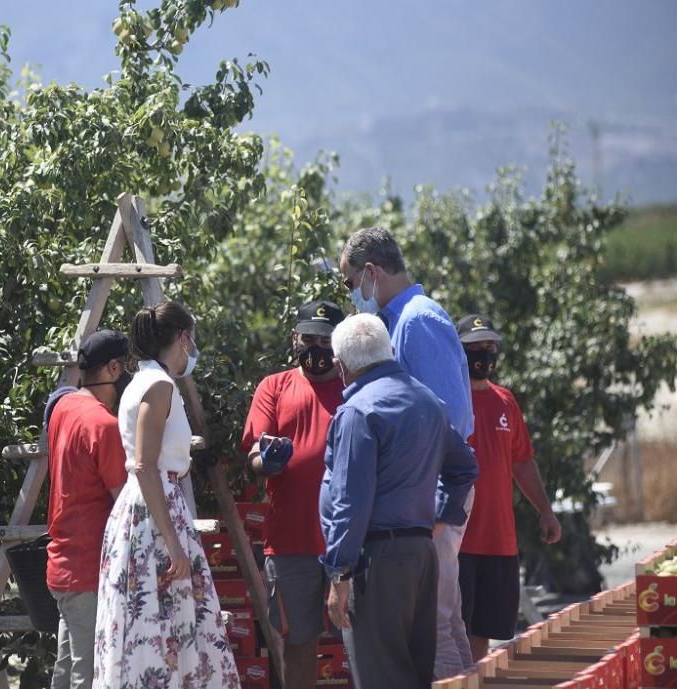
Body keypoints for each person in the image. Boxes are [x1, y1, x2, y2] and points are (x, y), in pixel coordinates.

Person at [339, 227, 476, 679]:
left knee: (432, 624)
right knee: (441, 619)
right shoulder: (403, 319)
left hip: (424, 497)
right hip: (422, 495)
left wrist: (435, 505)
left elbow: (448, 417)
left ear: (372, 273)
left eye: (350, 282)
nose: (352, 293)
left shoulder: (417, 320)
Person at [93, 302, 239, 689]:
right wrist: (174, 543)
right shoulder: (157, 385)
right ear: (182, 337)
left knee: (158, 624)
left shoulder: (142, 382)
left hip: (148, 507)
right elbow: (145, 465)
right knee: (162, 623)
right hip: (154, 510)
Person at [240, 300, 346, 689]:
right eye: (309, 338)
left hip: (347, 540)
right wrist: (265, 462)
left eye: (325, 339)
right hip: (291, 541)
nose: (316, 348)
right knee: (298, 643)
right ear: (294, 338)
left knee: (360, 639)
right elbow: (254, 451)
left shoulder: (356, 387)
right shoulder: (274, 386)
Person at [455, 314, 562, 661]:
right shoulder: (447, 400)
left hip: (499, 541)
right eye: (475, 348)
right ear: (458, 351)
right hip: (456, 540)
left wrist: (545, 511)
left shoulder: (505, 401)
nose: (484, 355)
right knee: (453, 629)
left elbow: (522, 461)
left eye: (490, 347)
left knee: (484, 631)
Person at [45, 330, 132, 689]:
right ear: (114, 367)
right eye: (125, 366)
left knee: (66, 669)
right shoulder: (103, 424)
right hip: (87, 568)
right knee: (89, 674)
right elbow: (125, 499)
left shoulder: (64, 408)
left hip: (63, 563)